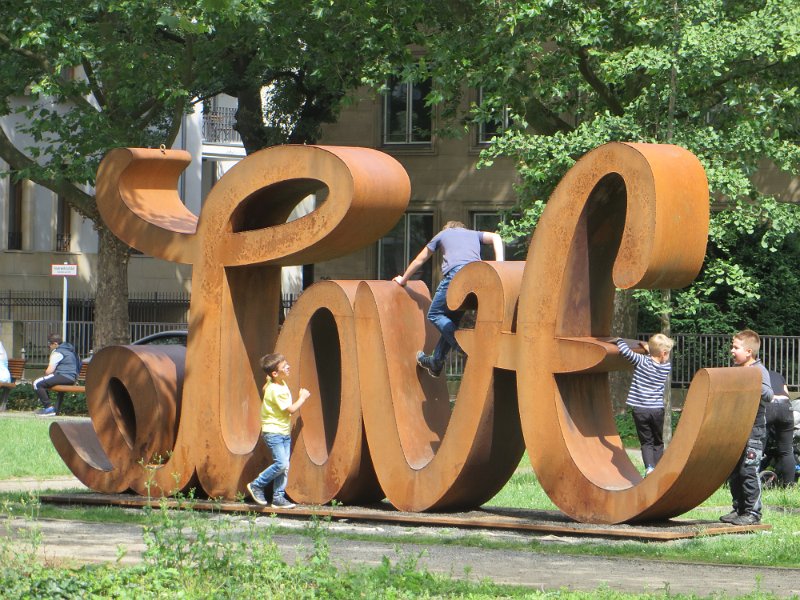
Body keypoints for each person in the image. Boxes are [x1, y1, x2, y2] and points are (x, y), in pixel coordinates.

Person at [393, 221, 504, 377]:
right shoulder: (473, 234)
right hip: (477, 277)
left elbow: (420, 259)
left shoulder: (444, 234)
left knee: (434, 314)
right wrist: (499, 265)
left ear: (448, 228)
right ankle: (436, 361)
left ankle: (464, 347)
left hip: (457, 276)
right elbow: (496, 237)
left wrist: (403, 280)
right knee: (451, 320)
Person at [721, 329, 773, 525]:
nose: (731, 351)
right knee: (734, 471)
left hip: (754, 431)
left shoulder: (758, 370)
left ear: (749, 351)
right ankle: (739, 509)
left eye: (736, 347)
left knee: (748, 471)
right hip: (737, 429)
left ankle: (753, 513)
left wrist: (750, 379)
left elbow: (768, 395)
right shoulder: (737, 369)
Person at [246, 352, 310, 509]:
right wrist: (302, 397)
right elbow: (291, 410)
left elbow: (265, 385)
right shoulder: (277, 390)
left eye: (286, 363)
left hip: (283, 432)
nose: (288, 366)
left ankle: (278, 498)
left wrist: (269, 379)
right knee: (281, 464)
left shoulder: (277, 382)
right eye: (284, 366)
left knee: (284, 466)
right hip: (273, 432)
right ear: (275, 373)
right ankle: (256, 485)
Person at [614, 334, 674, 476]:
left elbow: (625, 351)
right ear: (663, 354)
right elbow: (657, 359)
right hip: (657, 410)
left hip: (640, 410)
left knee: (646, 442)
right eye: (668, 353)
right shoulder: (666, 367)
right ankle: (658, 468)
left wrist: (619, 340)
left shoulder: (640, 361)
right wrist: (649, 350)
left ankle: (650, 468)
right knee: (658, 442)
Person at [33, 333, 80, 417]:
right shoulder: (69, 350)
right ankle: (53, 409)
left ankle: (48, 409)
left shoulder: (57, 352)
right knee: (43, 382)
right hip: (71, 378)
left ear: (55, 344)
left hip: (63, 376)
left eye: (49, 344)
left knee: (37, 383)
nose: (49, 346)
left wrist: (46, 373)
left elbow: (49, 371)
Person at [764, 369, 795, 486]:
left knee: (757, 447)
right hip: (786, 406)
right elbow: (787, 394)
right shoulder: (778, 375)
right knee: (787, 450)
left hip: (767, 406)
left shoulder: (754, 374)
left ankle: (752, 483)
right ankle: (790, 485)